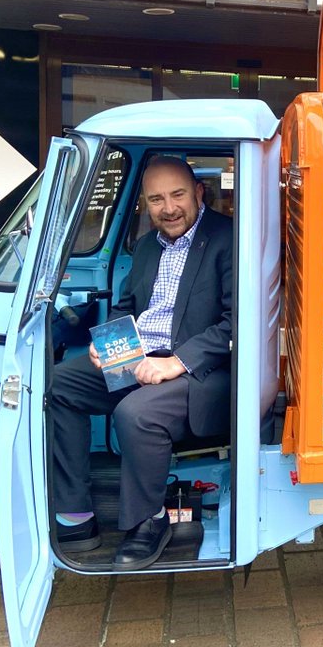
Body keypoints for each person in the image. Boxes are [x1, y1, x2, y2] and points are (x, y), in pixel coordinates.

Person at [49, 155, 233, 570]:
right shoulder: (148, 246)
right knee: (58, 384)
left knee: (135, 412)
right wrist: (106, 342)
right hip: (136, 355)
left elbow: (237, 322)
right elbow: (128, 306)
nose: (168, 208)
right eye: (156, 199)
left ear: (198, 192)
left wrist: (177, 362)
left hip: (199, 372)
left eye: (178, 195)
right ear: (145, 205)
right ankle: (76, 513)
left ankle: (149, 521)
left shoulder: (228, 239)